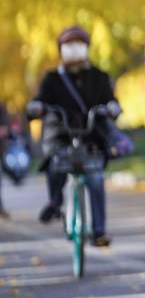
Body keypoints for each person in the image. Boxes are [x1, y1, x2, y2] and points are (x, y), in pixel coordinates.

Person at [26, 26, 121, 246]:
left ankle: (99, 231)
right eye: (68, 45)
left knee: (96, 178)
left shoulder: (99, 77)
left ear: (87, 48)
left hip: (91, 136)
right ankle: (55, 201)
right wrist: (37, 108)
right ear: (60, 50)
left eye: (79, 44)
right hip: (60, 136)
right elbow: (39, 101)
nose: (74, 50)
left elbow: (111, 101)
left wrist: (112, 107)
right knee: (56, 164)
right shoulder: (51, 79)